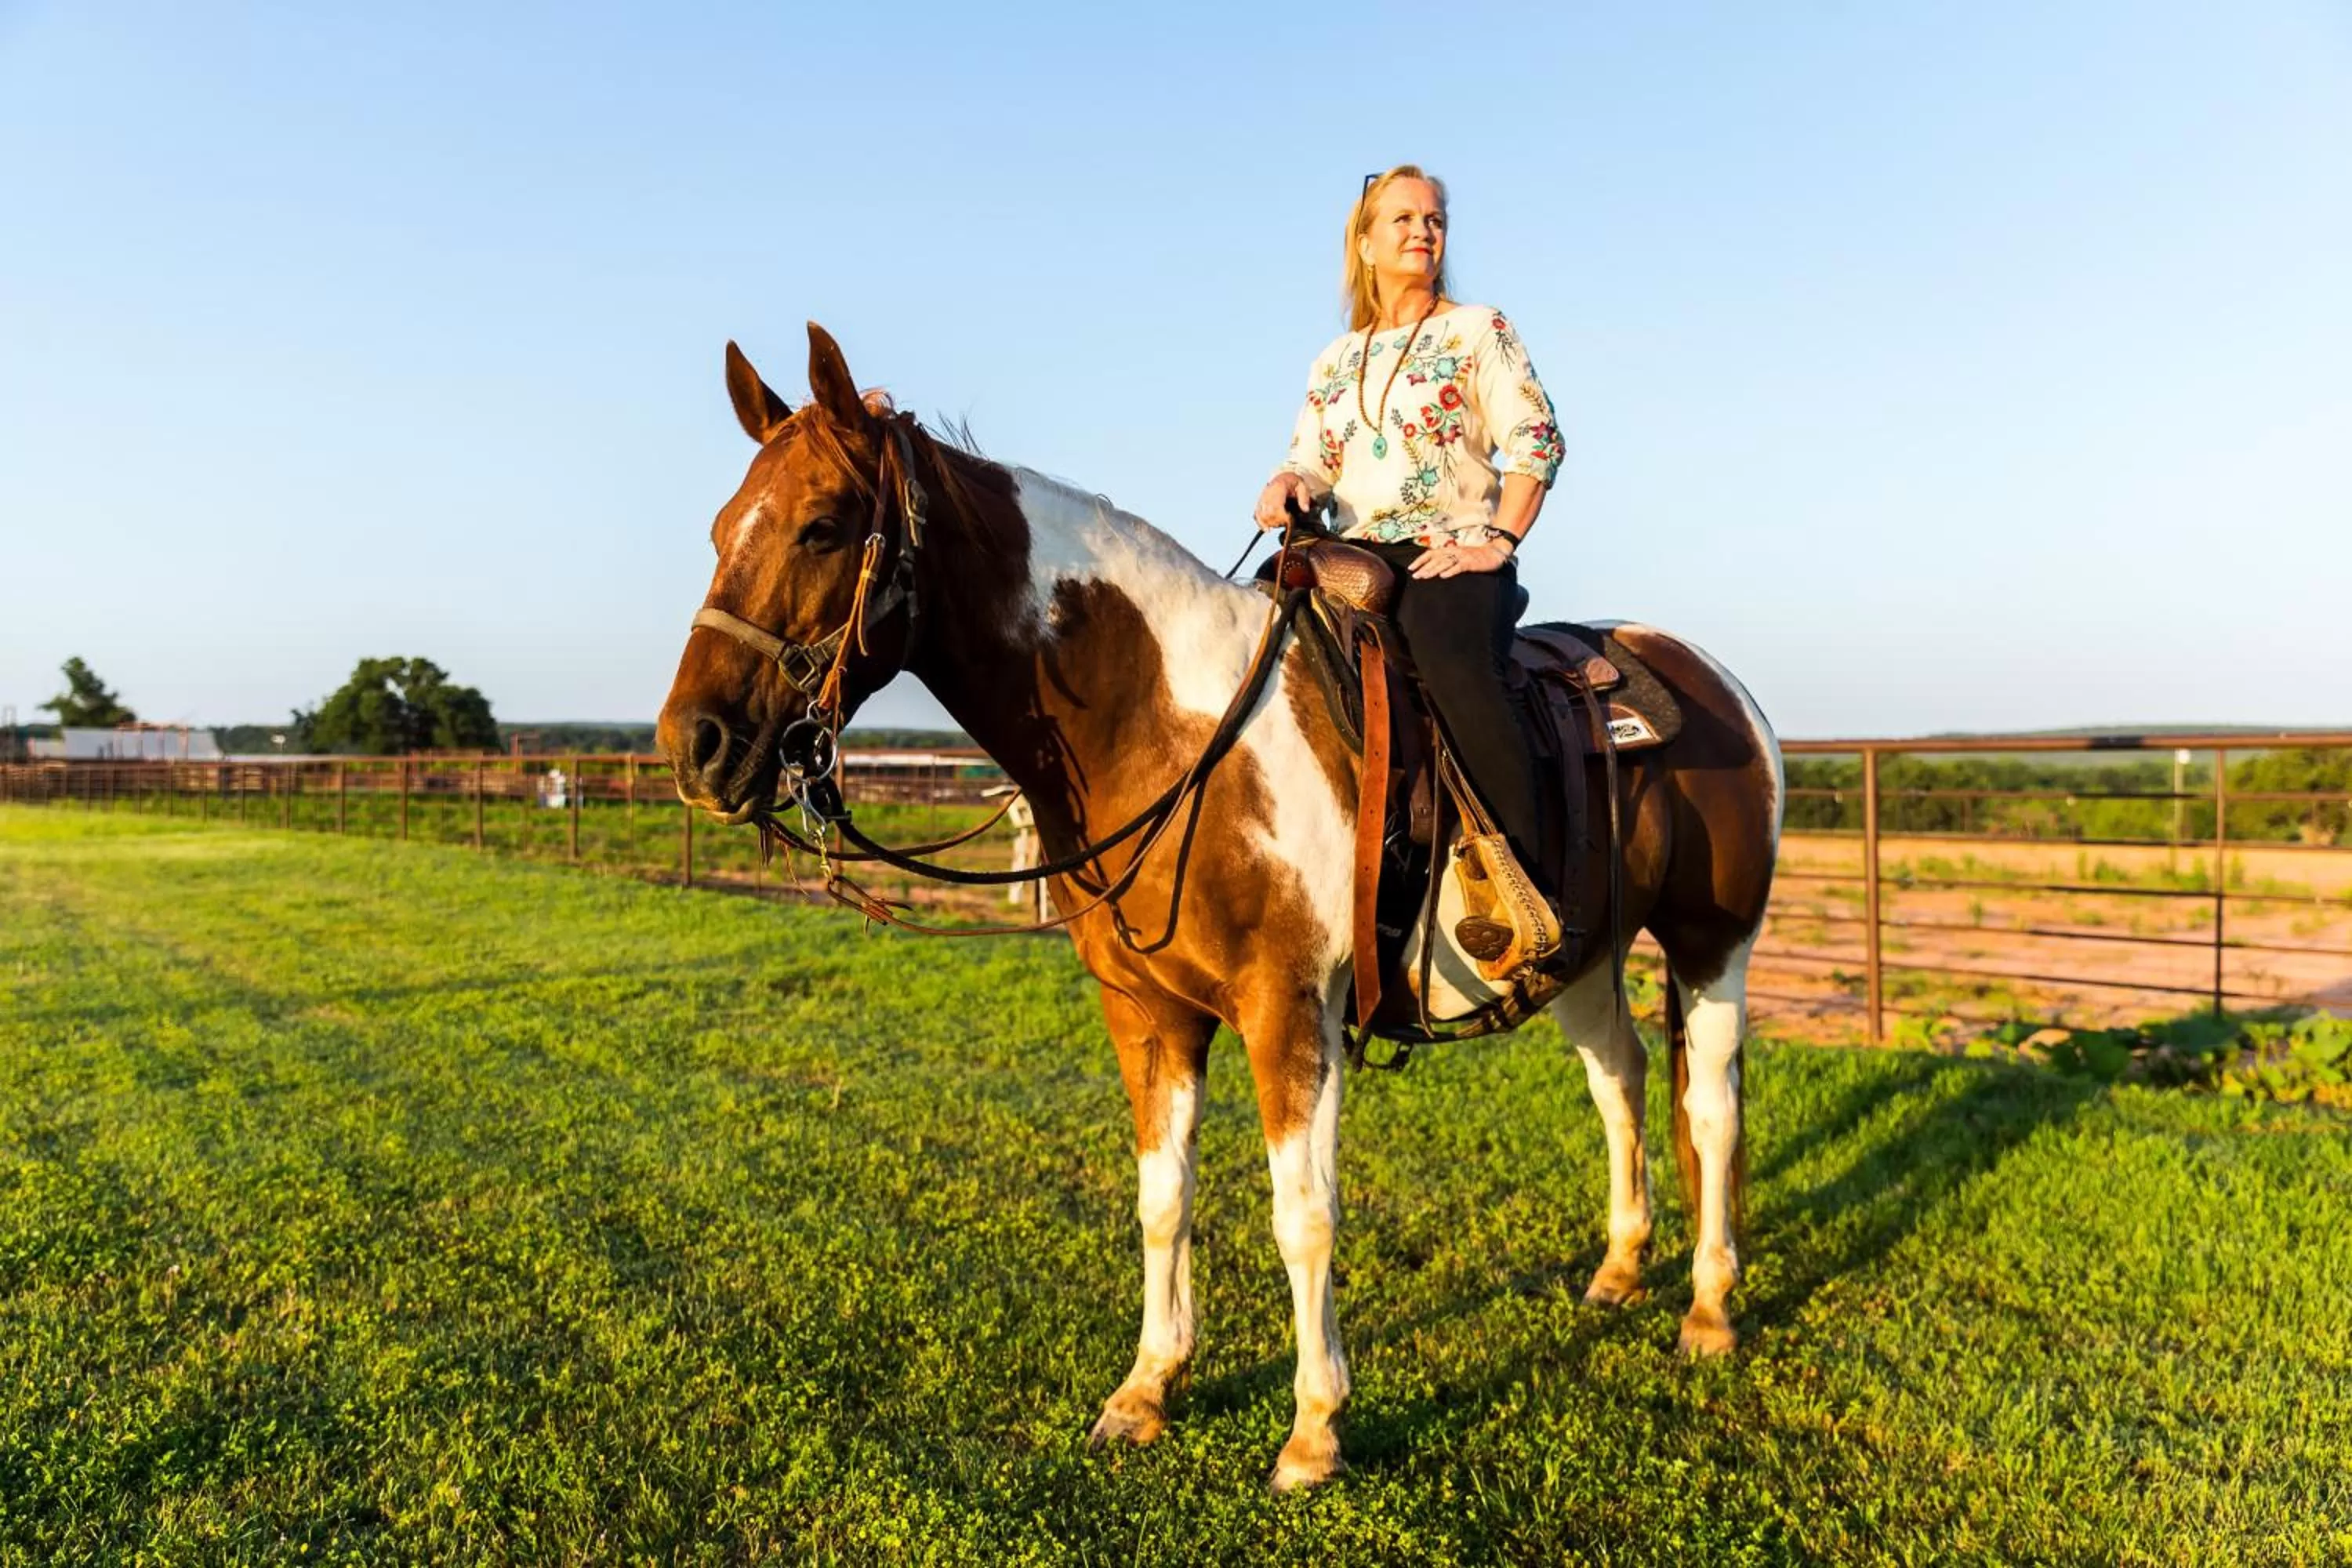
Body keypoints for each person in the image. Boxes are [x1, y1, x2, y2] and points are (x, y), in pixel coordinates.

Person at [1255, 163, 1566, 979]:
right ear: (1364, 241)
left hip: (1447, 549)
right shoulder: (1335, 358)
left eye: (1434, 218)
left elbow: (1536, 438)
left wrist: (1497, 539)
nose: (1423, 231)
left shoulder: (1477, 330)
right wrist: (1291, 484)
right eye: (1403, 219)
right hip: (1354, 554)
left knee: (1456, 665)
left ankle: (1522, 887)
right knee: (1258, 632)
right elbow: (1314, 460)